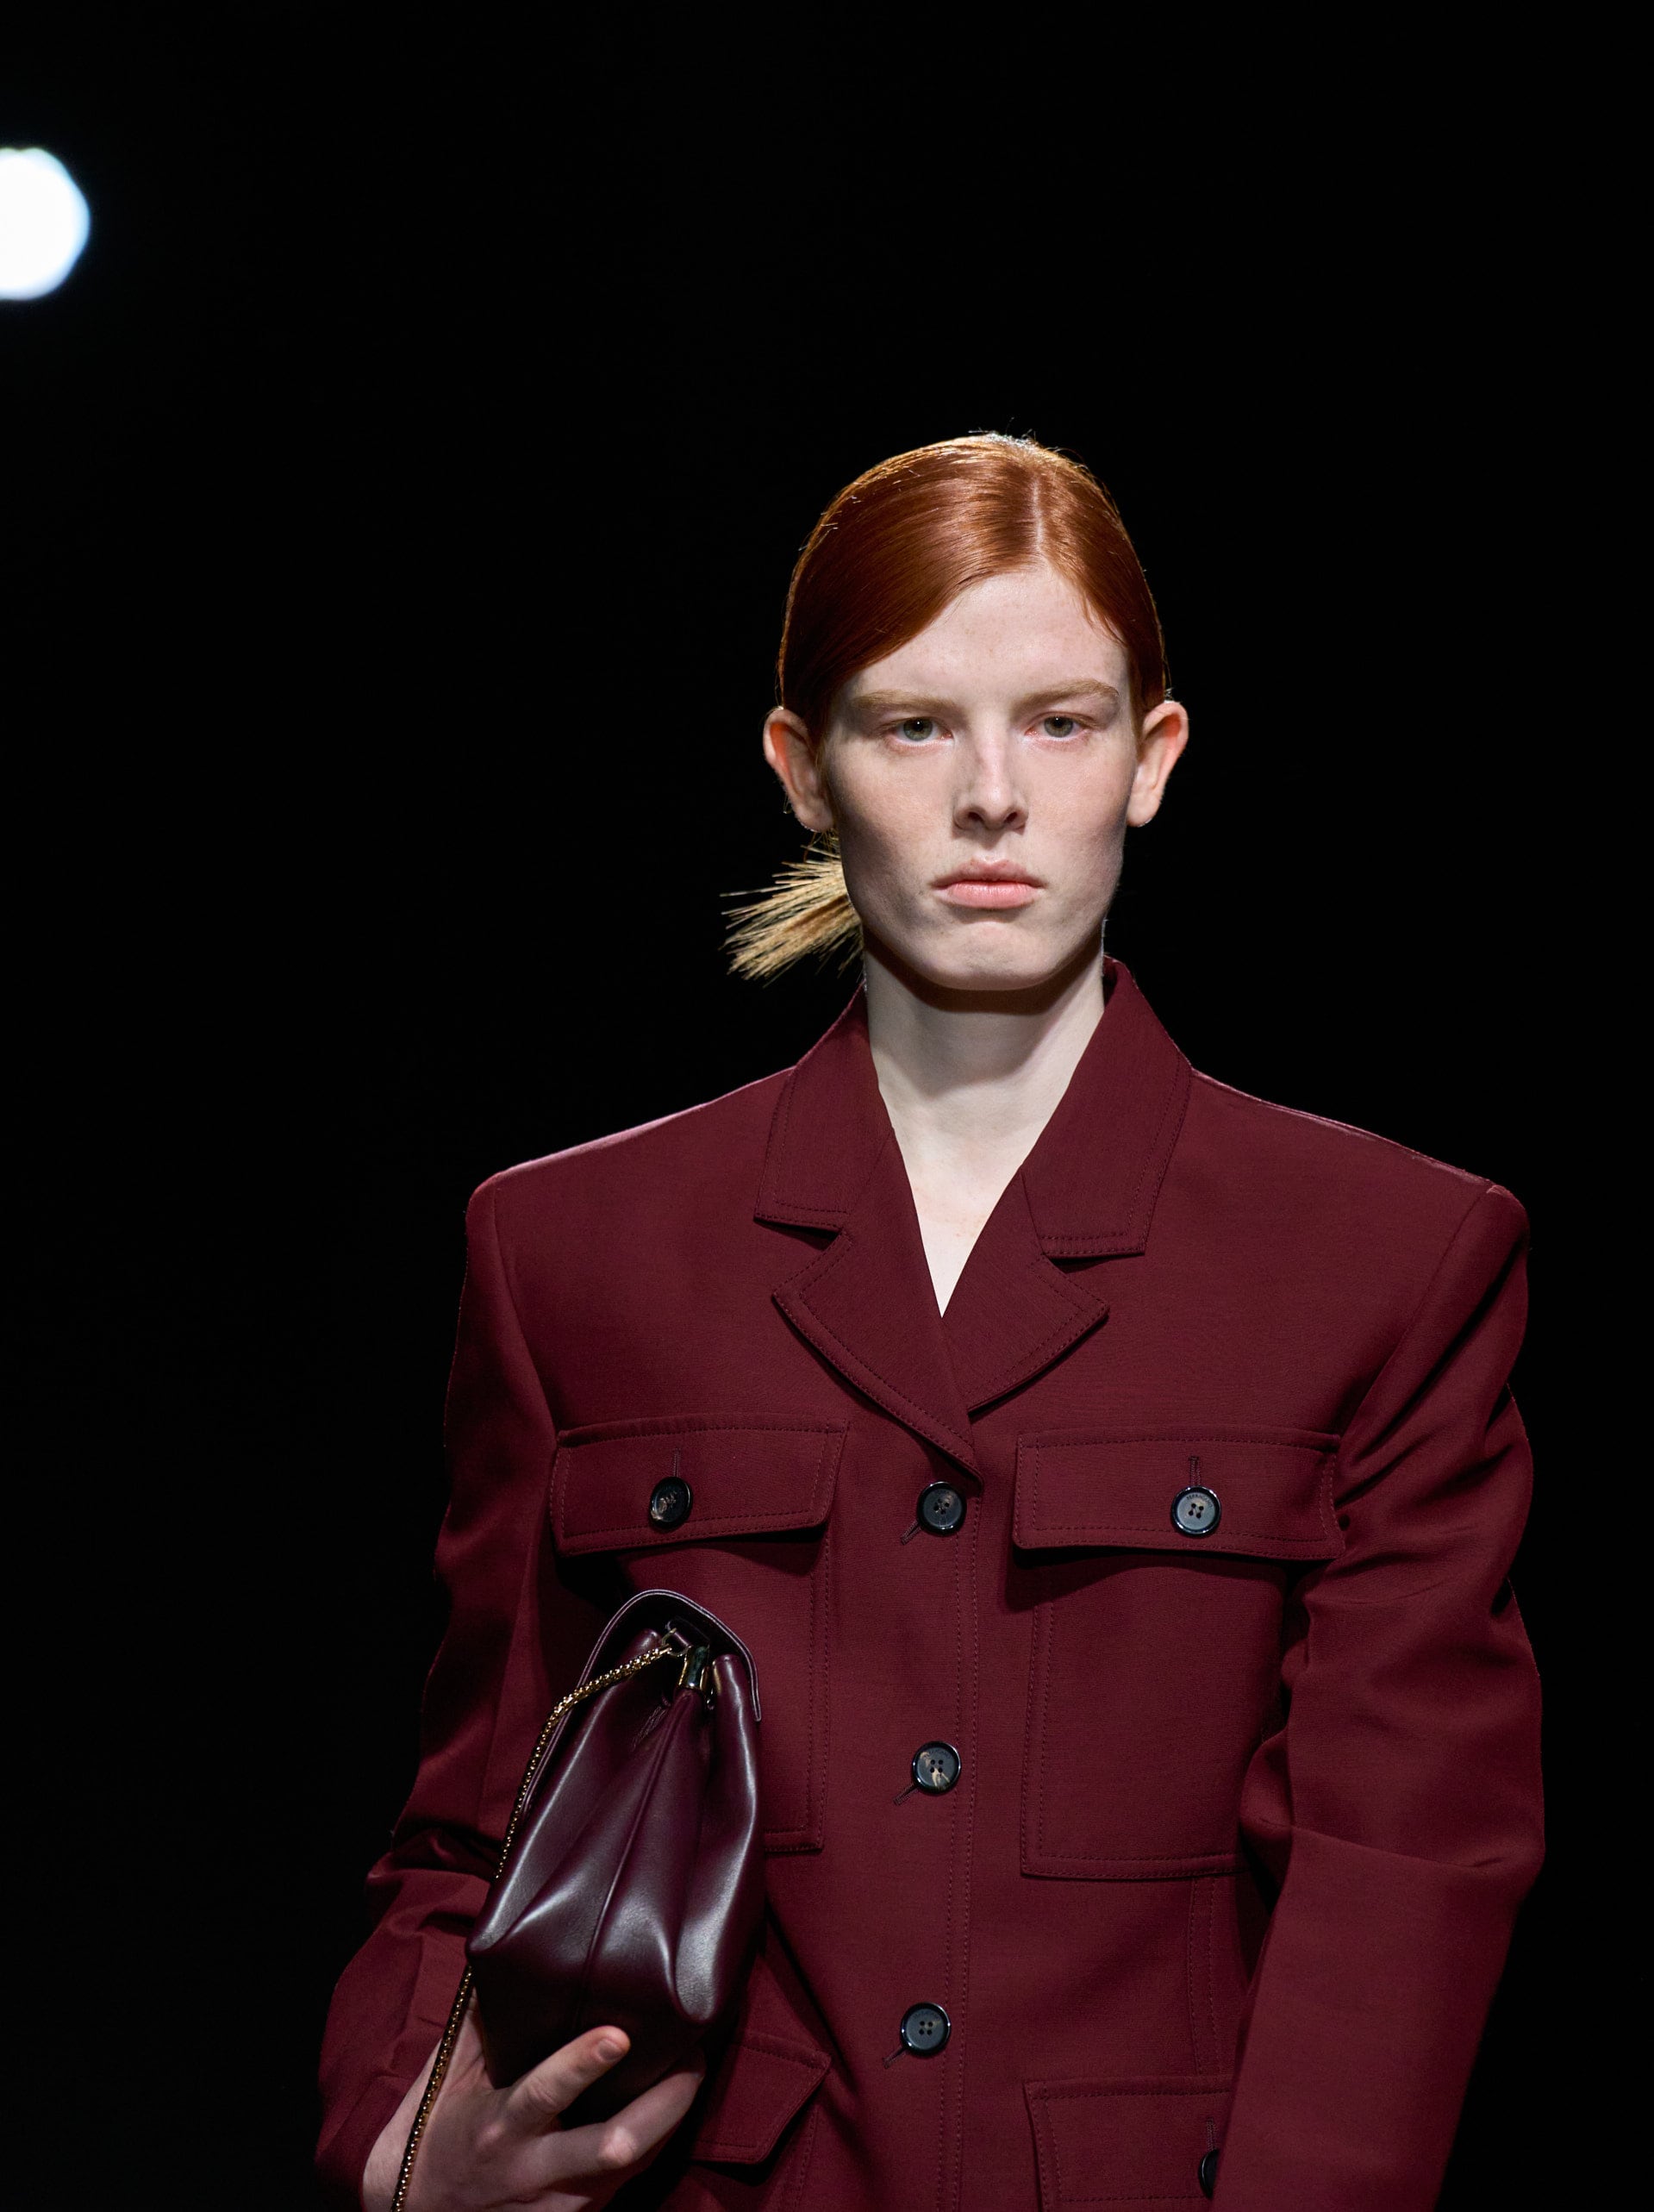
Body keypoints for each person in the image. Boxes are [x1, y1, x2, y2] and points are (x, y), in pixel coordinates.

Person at [318, 434, 1542, 2211]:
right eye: (911, 725)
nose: (991, 796)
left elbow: (1403, 1865)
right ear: (800, 769)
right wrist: (400, 2132)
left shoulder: (1385, 1260)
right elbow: (479, 1818)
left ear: (1153, 756)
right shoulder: (573, 1252)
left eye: (1060, 721)